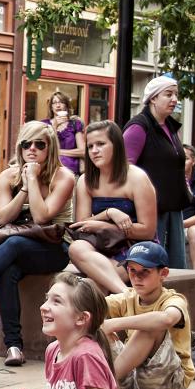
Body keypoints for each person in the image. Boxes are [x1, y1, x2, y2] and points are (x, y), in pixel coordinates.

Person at [0, 121, 75, 365]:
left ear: (50, 148)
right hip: (19, 248)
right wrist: (25, 189)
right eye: (26, 144)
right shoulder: (8, 176)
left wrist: (32, 179)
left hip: (54, 247)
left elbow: (42, 217)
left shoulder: (64, 177)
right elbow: (2, 218)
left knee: (14, 244)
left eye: (40, 144)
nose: (32, 149)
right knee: (9, 268)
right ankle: (14, 347)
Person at [69, 121, 157, 295]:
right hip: (102, 245)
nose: (94, 150)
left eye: (100, 144)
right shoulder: (86, 180)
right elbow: (81, 225)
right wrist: (109, 214)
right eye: (90, 146)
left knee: (93, 285)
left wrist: (104, 226)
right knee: (76, 248)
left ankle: (121, 301)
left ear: (116, 146)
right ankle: (126, 294)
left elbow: (148, 231)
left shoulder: (137, 177)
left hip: (137, 247)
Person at [103, 242, 195, 389]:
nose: (137, 277)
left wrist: (114, 324)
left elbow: (167, 318)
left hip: (165, 384)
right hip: (128, 380)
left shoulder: (173, 299)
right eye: (132, 270)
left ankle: (103, 384)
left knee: (152, 324)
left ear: (163, 273)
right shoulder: (127, 297)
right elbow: (92, 305)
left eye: (145, 271)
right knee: (90, 319)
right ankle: (82, 382)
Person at [123, 76, 189, 268]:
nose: (175, 99)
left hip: (173, 209)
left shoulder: (170, 126)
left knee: (177, 266)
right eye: (168, 94)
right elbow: (126, 169)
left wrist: (185, 187)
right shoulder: (138, 126)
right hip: (150, 211)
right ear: (152, 98)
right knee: (152, 265)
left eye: (176, 94)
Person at [41, 92, 86, 175]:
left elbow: (83, 151)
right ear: (51, 107)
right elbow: (43, 148)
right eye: (54, 103)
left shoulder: (75, 123)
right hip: (49, 171)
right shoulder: (44, 124)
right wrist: (54, 127)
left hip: (71, 172)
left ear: (66, 106)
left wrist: (58, 151)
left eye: (61, 102)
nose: (58, 105)